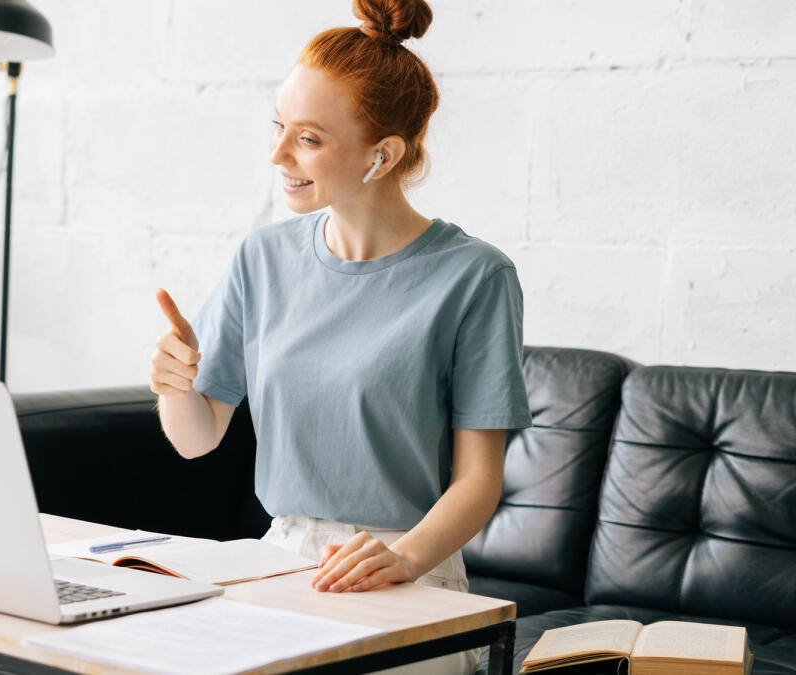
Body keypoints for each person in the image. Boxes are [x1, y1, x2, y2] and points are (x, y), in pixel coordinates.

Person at [150, 1, 532, 673]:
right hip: (277, 562)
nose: (277, 154)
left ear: (381, 155)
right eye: (278, 127)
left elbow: (479, 480)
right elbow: (196, 436)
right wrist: (175, 384)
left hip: (407, 577)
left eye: (309, 138)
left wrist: (405, 555)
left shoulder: (474, 277)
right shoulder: (261, 259)